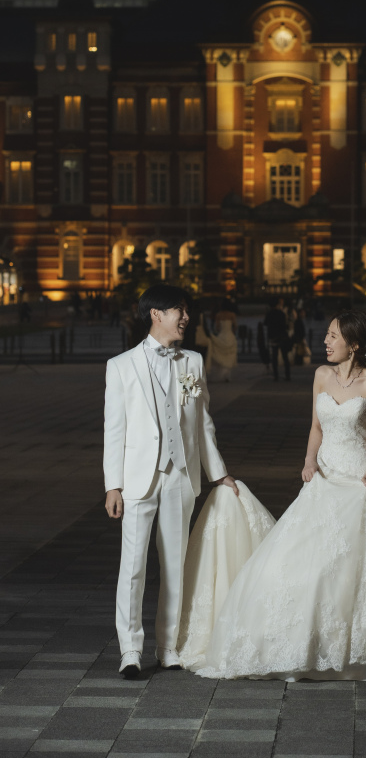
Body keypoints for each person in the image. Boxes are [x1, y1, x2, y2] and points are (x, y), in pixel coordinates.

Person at [177, 310, 366, 680]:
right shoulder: (320, 376)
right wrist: (308, 461)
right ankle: (307, 643)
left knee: (363, 563)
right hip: (325, 475)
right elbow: (316, 426)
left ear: (355, 344)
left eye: (333, 336)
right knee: (304, 558)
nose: (326, 342)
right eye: (328, 335)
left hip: (357, 477)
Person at [103, 283, 238, 680]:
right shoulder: (121, 365)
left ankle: (169, 647)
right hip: (138, 480)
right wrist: (113, 484)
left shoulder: (192, 363)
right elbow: (115, 430)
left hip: (181, 474)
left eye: (186, 310)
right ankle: (130, 649)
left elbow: (202, 423)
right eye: (179, 310)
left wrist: (219, 474)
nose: (186, 317)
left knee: (175, 564)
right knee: (133, 567)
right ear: (155, 314)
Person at [207, 300, 238, 382]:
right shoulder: (232, 314)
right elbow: (235, 325)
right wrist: (233, 333)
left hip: (222, 335)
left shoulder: (219, 315)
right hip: (230, 335)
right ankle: (227, 375)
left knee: (222, 354)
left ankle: (222, 374)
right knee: (230, 354)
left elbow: (217, 327)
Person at [264, 297, 291, 381]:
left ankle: (276, 375)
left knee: (274, 357)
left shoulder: (269, 314)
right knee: (285, 357)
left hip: (273, 337)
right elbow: (285, 325)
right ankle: (287, 375)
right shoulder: (281, 313)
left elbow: (265, 323)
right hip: (282, 337)